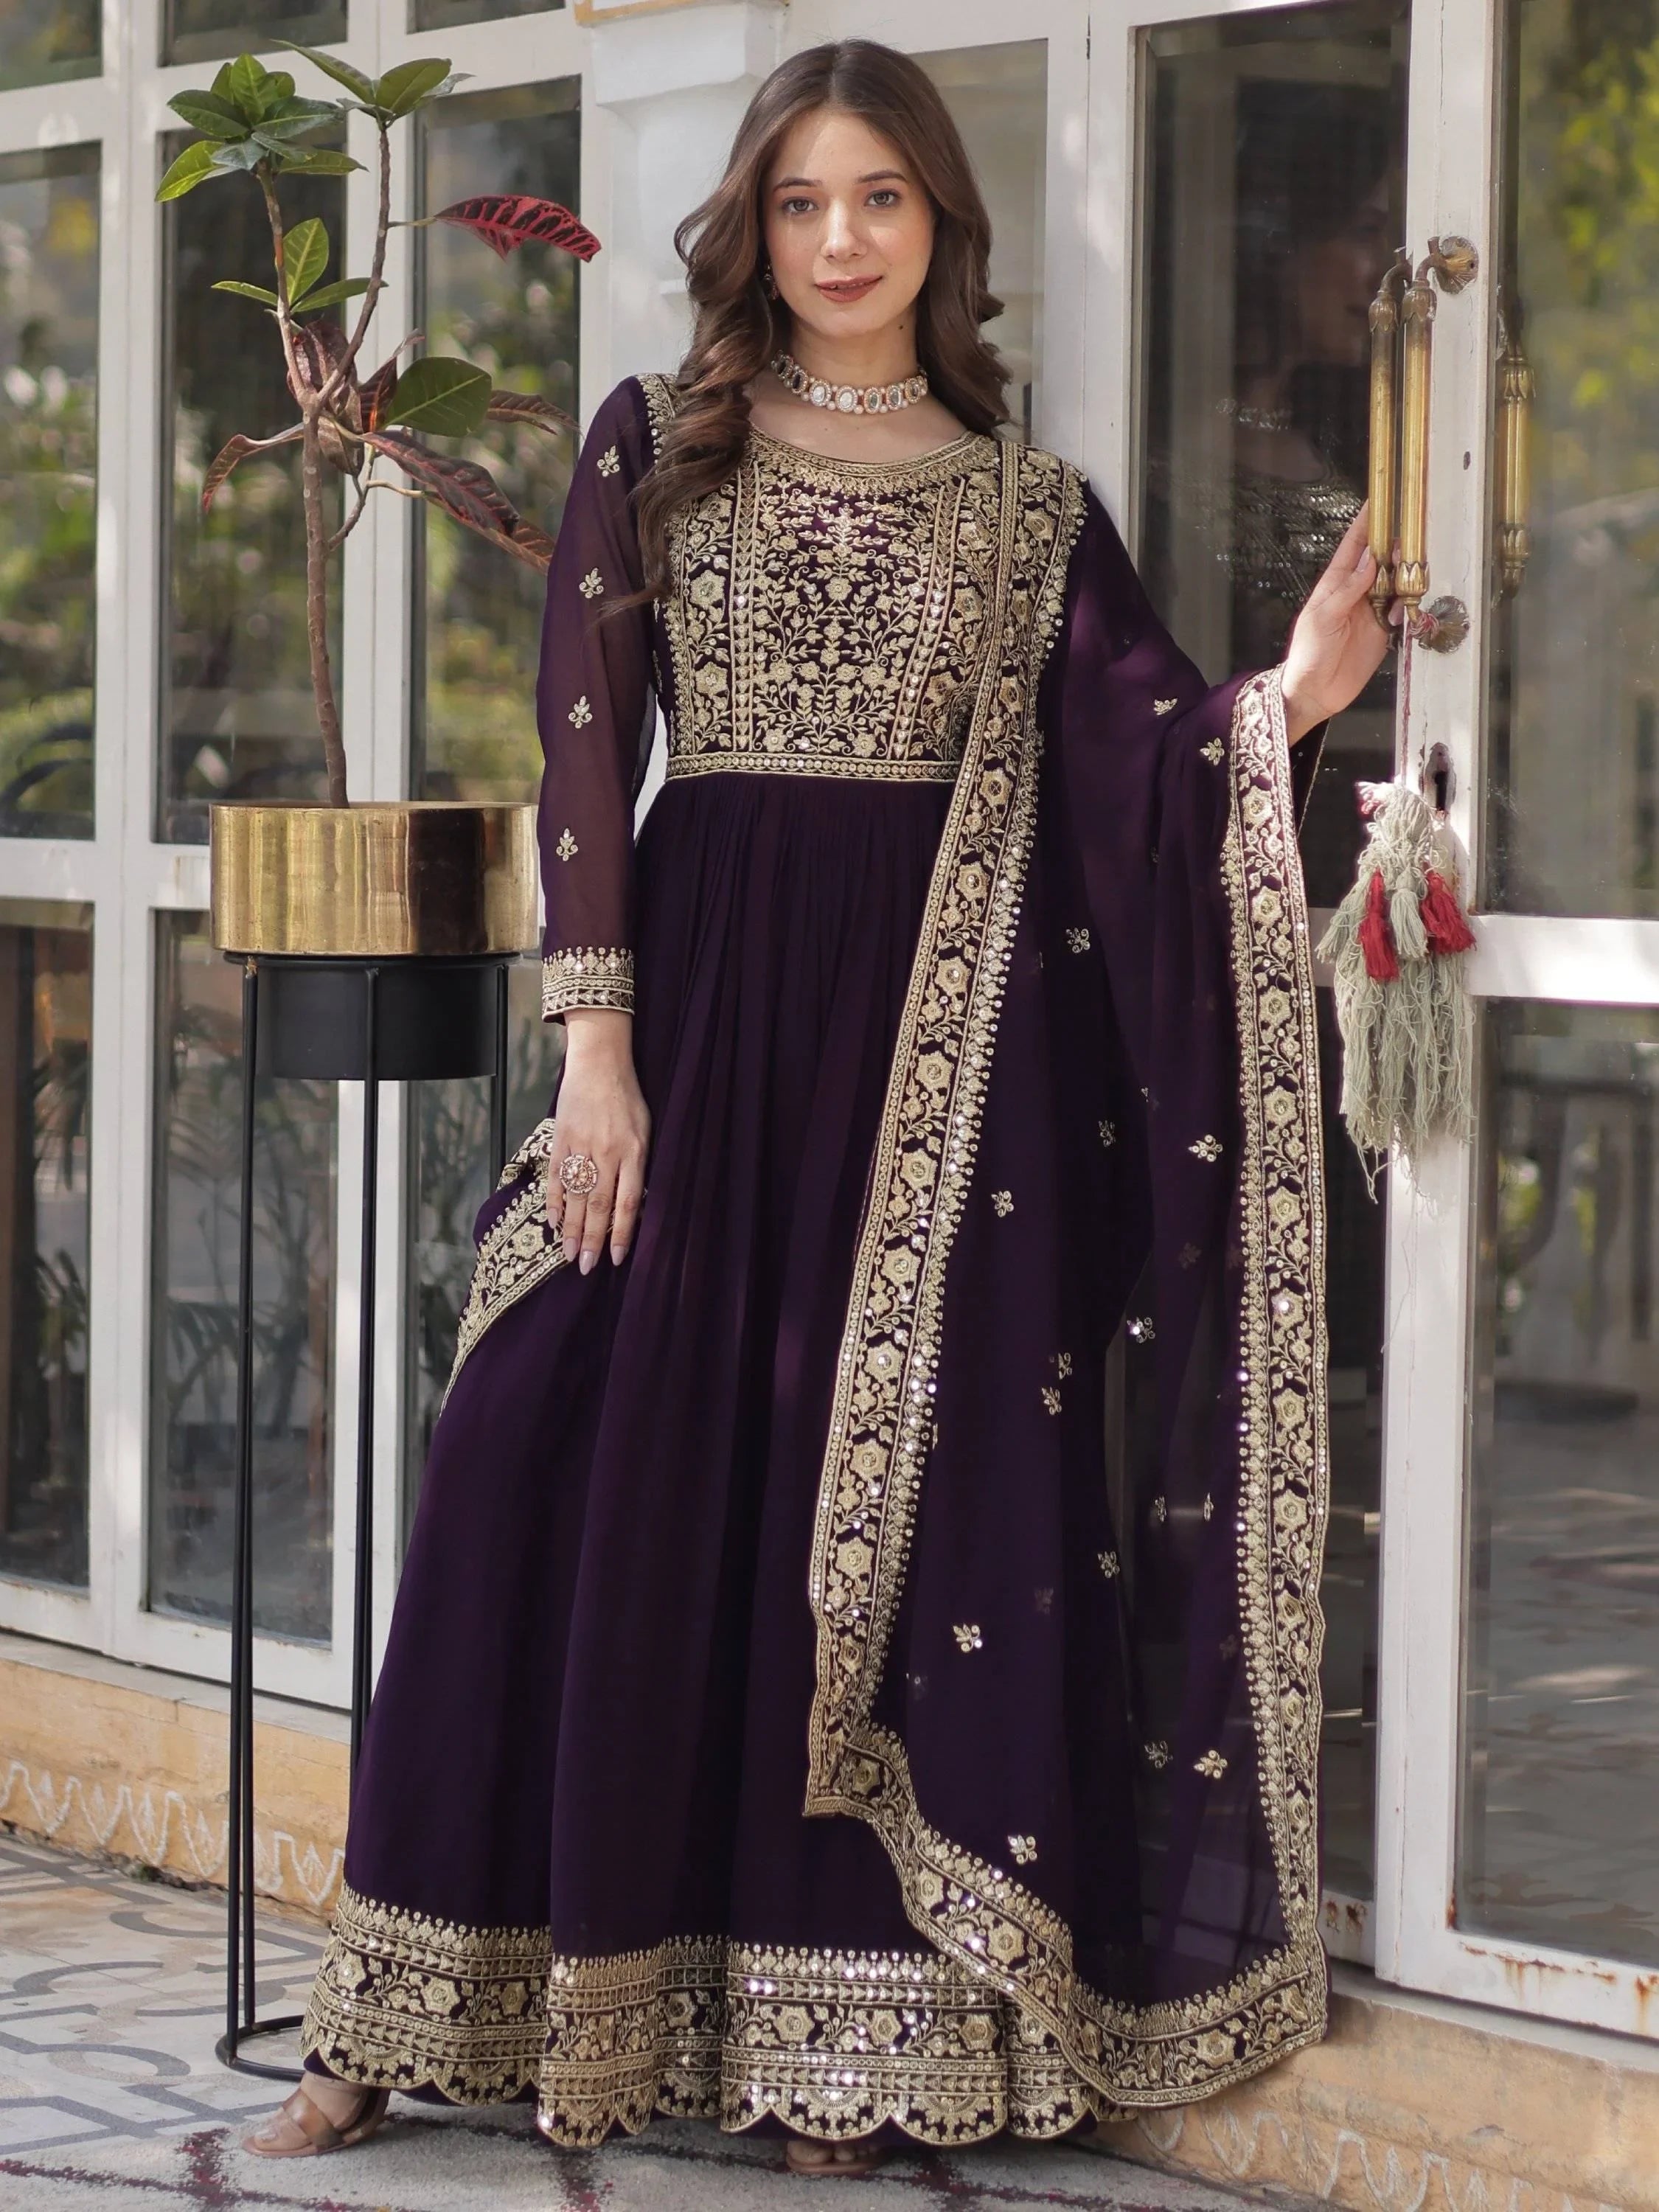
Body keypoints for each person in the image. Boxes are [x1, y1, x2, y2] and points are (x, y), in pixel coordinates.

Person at [246, 37, 1388, 2176]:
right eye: (800, 202)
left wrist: (1291, 706)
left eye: (878, 199)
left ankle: (833, 2048)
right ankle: (398, 2002)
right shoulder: (657, 446)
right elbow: (584, 746)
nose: (840, 240)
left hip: (929, 1083)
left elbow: (1134, 763)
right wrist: (596, 1054)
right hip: (683, 1023)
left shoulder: (1025, 504)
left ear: (939, 226)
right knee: (528, 1437)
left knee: (843, 1521)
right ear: (751, 228)